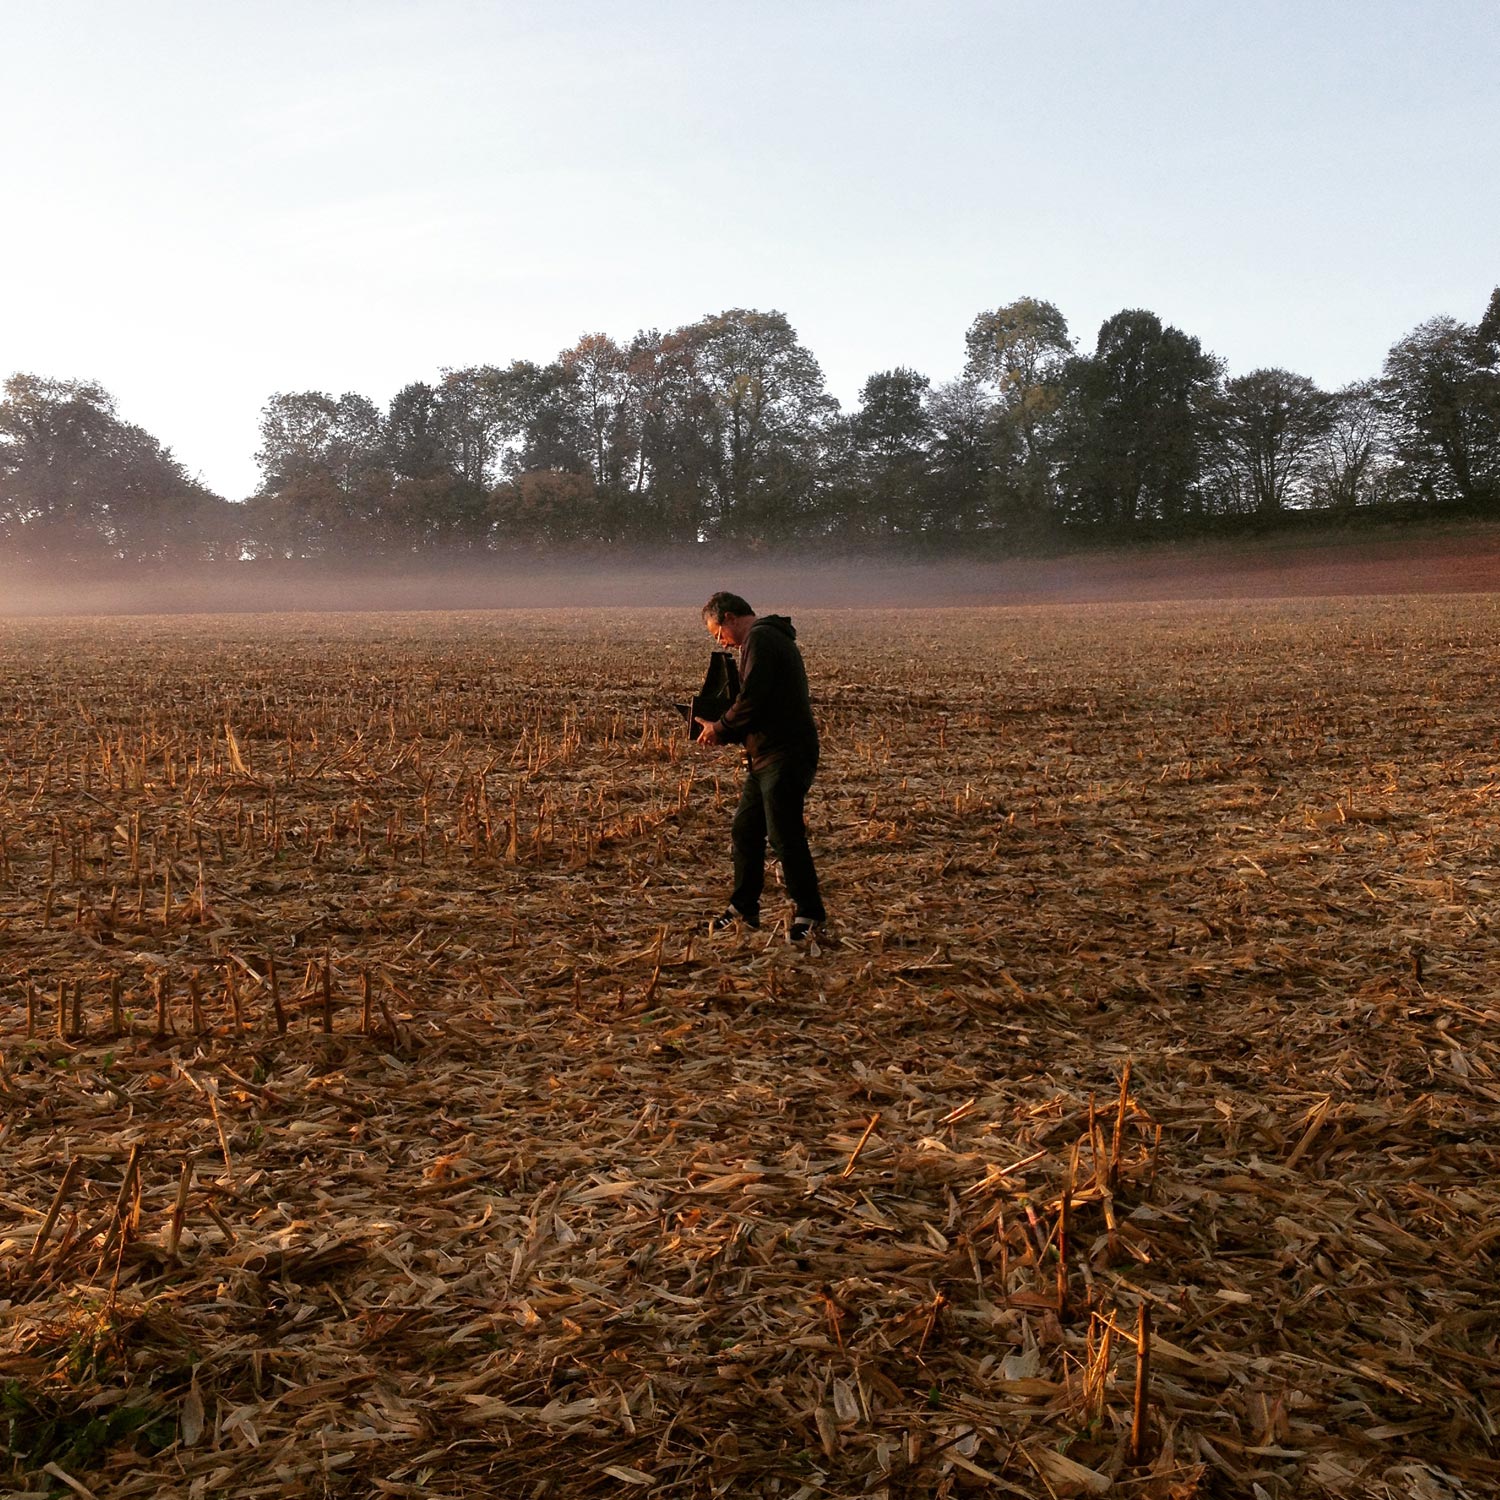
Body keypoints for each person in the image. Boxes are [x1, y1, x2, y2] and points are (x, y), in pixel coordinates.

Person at [695, 591, 827, 942]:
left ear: (728, 618)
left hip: (784, 754)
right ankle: (744, 910)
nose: (722, 643)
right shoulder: (765, 638)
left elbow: (752, 698)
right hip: (767, 754)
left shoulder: (761, 638)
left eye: (718, 634)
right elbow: (760, 701)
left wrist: (718, 728)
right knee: (746, 830)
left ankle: (810, 913)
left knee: (784, 834)